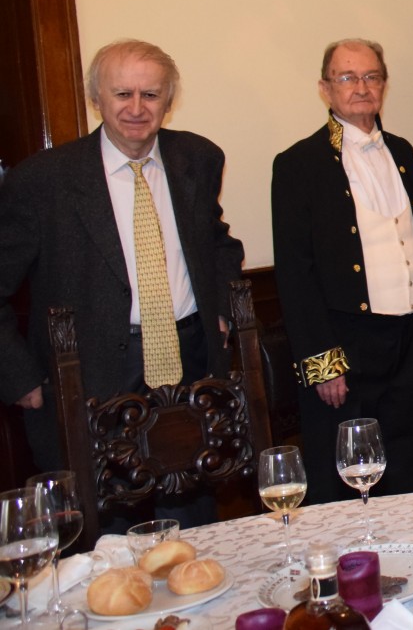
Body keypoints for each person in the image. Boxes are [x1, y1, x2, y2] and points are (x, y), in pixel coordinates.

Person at [0, 39, 244, 526]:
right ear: (97, 98)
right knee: (108, 528)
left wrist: (220, 309)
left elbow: (218, 243)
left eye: (150, 95)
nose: (137, 108)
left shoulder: (197, 158)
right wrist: (18, 373)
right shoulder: (43, 180)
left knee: (194, 515)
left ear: (168, 100)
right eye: (122, 94)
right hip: (92, 376)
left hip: (190, 365)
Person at [272, 38, 413, 505]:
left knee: (407, 465)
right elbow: (295, 271)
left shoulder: (403, 151)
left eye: (371, 77)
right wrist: (323, 361)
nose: (361, 87)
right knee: (345, 474)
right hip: (344, 345)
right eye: (347, 77)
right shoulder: (298, 163)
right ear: (325, 88)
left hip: (406, 337)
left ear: (384, 85)